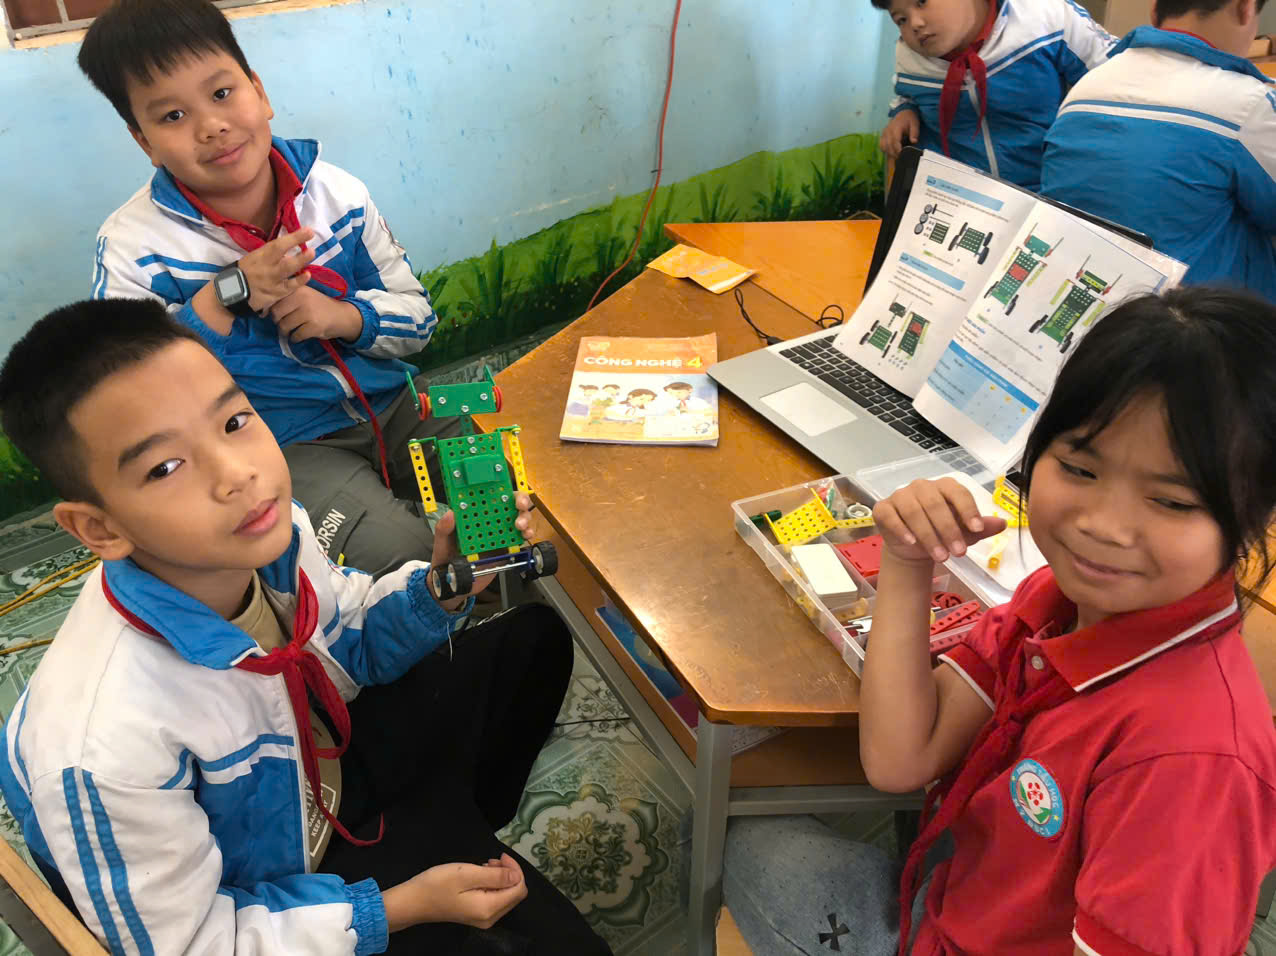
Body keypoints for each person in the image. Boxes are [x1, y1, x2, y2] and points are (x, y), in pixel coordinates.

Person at [0, 298, 611, 956]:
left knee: (531, 641)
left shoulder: (272, 534)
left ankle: (449, 826)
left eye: (234, 421)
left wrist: (441, 587)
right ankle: (427, 853)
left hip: (312, 769)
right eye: (165, 468)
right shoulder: (103, 749)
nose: (237, 474)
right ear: (98, 528)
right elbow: (197, 943)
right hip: (266, 885)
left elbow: (346, 639)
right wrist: (395, 909)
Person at [724, 286, 1276, 954]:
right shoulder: (1058, 599)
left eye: (1172, 502)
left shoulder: (1191, 765)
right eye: (1079, 468)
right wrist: (907, 558)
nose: (1103, 525)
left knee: (735, 841)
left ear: (1253, 517)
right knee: (744, 825)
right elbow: (902, 758)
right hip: (956, 888)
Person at [78, 0, 460, 578]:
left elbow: (419, 321)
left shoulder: (337, 195)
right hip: (280, 447)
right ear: (144, 142)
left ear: (259, 92)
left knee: (521, 490)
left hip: (397, 404)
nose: (211, 126)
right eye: (173, 116)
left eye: (222, 93)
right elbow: (125, 395)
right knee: (403, 560)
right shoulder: (134, 248)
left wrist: (343, 317)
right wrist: (222, 298)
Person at [1040, 0, 1276, 302]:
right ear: (1245, 8)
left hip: (1091, 305)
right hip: (1200, 320)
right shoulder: (1246, 105)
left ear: (1154, 10)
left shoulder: (1082, 91)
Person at [874, 0, 1114, 190]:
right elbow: (907, 94)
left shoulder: (1045, 18)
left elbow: (1116, 77)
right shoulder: (908, 55)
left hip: (1046, 195)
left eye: (922, 1)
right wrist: (904, 110)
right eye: (901, 19)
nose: (915, 24)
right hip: (954, 200)